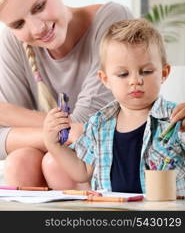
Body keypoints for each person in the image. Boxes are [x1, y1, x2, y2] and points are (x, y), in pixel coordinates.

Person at [0, 0, 134, 189]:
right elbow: (4, 138)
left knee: (56, 162)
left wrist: (9, 114)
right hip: (54, 155)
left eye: (39, 7)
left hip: (105, 157)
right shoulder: (14, 42)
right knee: (19, 161)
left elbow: (83, 126)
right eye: (18, 24)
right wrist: (54, 135)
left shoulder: (113, 20)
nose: (37, 28)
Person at [43, 18, 185, 195]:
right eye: (123, 74)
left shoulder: (176, 119)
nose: (135, 81)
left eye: (146, 72)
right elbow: (82, 171)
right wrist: (53, 145)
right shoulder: (98, 123)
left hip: (162, 213)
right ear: (105, 79)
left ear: (164, 73)